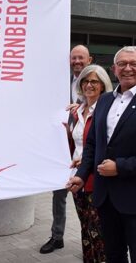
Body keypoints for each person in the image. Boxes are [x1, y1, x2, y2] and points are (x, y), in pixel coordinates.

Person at [67, 46, 136, 263]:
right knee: (113, 255)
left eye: (134, 64)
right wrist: (82, 175)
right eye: (122, 64)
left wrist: (120, 167)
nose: (128, 68)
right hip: (105, 197)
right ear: (114, 69)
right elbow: (93, 143)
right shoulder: (104, 101)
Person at [40, 45, 92, 254]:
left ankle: (90, 243)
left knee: (88, 201)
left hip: (84, 150)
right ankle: (57, 236)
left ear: (90, 60)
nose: (77, 62)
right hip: (61, 148)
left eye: (81, 58)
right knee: (58, 195)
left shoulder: (95, 81)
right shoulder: (61, 83)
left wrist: (79, 108)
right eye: (73, 58)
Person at [69, 65, 113, 262]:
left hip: (97, 179)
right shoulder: (76, 111)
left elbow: (110, 146)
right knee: (85, 229)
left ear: (103, 85)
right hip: (77, 179)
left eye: (94, 81)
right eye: (85, 81)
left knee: (100, 233)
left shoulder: (109, 111)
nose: (89, 85)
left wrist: (88, 161)